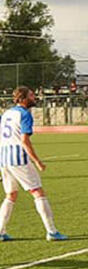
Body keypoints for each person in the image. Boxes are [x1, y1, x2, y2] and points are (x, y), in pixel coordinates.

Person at [0, 87, 68, 242]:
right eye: (31, 95)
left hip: (4, 158)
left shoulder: (7, 113)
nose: (34, 96)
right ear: (23, 98)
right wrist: (37, 161)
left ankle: (0, 231)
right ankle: (52, 231)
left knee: (11, 194)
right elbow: (24, 141)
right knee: (37, 192)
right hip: (18, 158)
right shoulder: (25, 114)